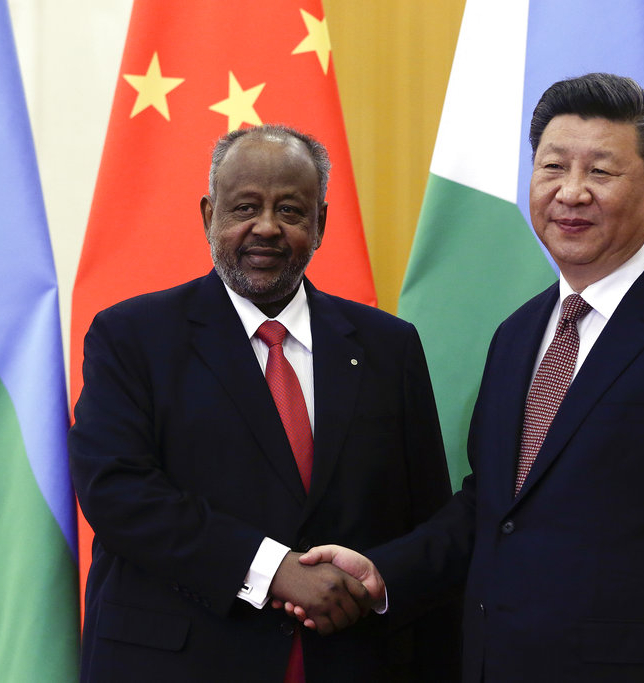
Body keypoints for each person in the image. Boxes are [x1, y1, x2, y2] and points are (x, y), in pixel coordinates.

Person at [293, 73, 644, 682]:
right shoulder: (518, 332)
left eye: (602, 173)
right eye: (553, 167)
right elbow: (495, 508)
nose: (571, 192)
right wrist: (384, 572)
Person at [68, 124, 457, 682]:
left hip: (351, 659)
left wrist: (378, 581)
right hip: (178, 662)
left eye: (292, 211)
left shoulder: (387, 347)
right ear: (209, 216)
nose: (267, 228)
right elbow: (115, 489)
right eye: (245, 207)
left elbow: (427, 520)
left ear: (320, 224)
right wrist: (274, 570)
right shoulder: (132, 336)